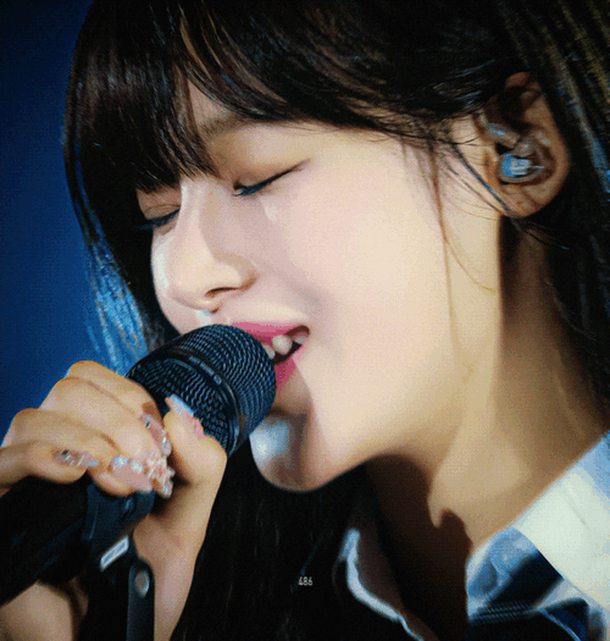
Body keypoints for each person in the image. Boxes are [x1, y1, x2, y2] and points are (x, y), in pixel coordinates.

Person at [0, 0, 608, 639]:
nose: (182, 276)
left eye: (257, 178)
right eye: (159, 214)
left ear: (515, 145)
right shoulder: (185, 604)